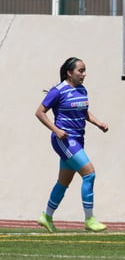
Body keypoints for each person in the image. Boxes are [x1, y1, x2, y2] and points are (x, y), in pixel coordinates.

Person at [35, 57, 108, 233]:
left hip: (78, 139)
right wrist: (56, 130)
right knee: (89, 174)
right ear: (69, 72)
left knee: (63, 182)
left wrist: (98, 123)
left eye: (84, 71)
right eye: (80, 71)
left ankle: (47, 216)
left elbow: (83, 111)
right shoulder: (58, 91)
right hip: (64, 140)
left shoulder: (82, 90)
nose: (83, 74)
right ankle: (89, 219)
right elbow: (39, 112)